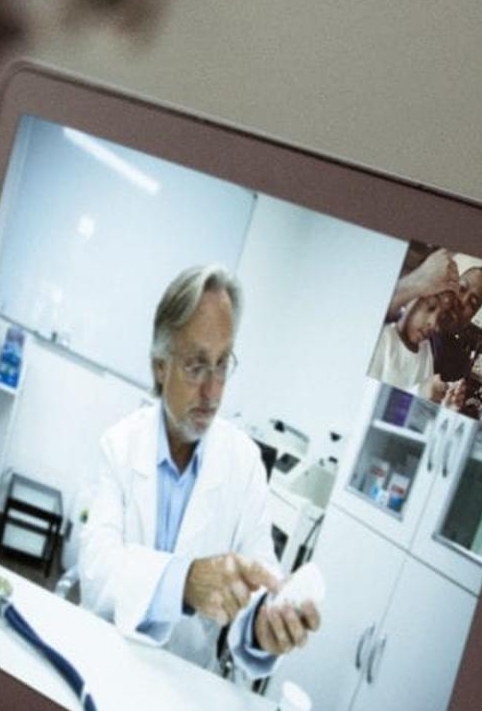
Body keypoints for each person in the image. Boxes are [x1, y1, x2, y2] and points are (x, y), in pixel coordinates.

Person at [71, 263, 319, 688]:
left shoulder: (243, 464)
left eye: (223, 364)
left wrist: (267, 622)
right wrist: (184, 582)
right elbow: (97, 573)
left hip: (184, 687)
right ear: (160, 368)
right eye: (196, 366)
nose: (214, 392)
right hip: (104, 662)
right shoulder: (117, 447)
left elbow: (260, 579)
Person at [371, 249, 482, 397]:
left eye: (472, 303)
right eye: (462, 288)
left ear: (472, 317)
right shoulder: (393, 326)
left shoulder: (457, 364)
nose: (461, 301)